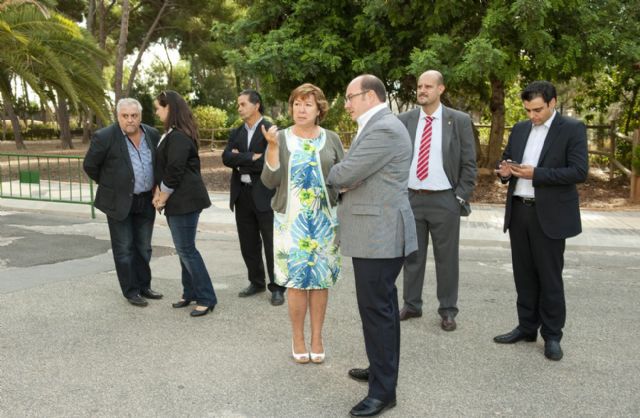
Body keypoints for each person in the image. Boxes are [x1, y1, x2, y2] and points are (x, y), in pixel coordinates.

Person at [326, 75, 417, 417]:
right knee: (380, 309)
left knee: (376, 311)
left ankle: (383, 392)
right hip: (375, 232)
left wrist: (345, 176)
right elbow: (353, 174)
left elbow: (342, 174)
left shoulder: (384, 129)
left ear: (369, 95)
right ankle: (380, 371)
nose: (346, 104)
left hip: (380, 235)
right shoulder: (379, 125)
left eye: (350, 97)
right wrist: (351, 176)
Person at [493, 81, 588, 361]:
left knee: (549, 278)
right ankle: (526, 327)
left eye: (537, 110)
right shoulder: (521, 129)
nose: (532, 116)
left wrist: (538, 174)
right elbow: (506, 161)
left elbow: (579, 171)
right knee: (523, 275)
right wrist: (505, 171)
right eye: (528, 110)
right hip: (519, 210)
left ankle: (552, 335)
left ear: (553, 102)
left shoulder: (572, 129)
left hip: (550, 214)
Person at [261, 83, 344, 364]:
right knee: (296, 282)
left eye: (308, 104)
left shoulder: (331, 139)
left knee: (319, 282)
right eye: (297, 103)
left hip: (324, 221)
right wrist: (272, 149)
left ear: (319, 109)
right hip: (291, 222)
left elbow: (342, 178)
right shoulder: (280, 138)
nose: (301, 109)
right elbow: (269, 181)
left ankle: (317, 337)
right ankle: (297, 337)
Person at [398, 70, 477, 331]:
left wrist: (459, 197)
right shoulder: (405, 120)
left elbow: (469, 163)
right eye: (420, 86)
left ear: (441, 89)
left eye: (428, 86)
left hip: (445, 200)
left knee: (446, 259)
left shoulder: (459, 120)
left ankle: (448, 310)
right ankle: (411, 304)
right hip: (411, 198)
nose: (422, 90)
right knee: (412, 256)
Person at [83, 98, 163, 307]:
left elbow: (159, 163)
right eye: (125, 116)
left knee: (144, 247)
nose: (130, 120)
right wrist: (112, 185)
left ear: (140, 116)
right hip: (118, 202)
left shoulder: (152, 135)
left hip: (146, 200)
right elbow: (90, 166)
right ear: (117, 116)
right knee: (124, 248)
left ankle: (144, 286)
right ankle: (131, 291)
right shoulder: (105, 137)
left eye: (134, 116)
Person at [152, 90, 217, 318]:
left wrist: (162, 197)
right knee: (183, 249)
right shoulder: (172, 133)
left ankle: (206, 297)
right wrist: (159, 192)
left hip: (185, 201)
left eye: (159, 108)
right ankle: (189, 292)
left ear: (169, 107)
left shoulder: (179, 135)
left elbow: (174, 170)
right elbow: (166, 168)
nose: (156, 112)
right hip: (179, 201)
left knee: (187, 249)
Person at [222, 90, 285, 306]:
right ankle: (256, 281)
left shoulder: (272, 130)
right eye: (238, 104)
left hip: (265, 195)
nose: (238, 108)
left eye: (242, 104)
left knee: (270, 243)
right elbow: (226, 158)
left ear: (256, 105)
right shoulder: (236, 131)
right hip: (242, 195)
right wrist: (250, 156)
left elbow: (267, 162)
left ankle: (277, 287)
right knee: (248, 243)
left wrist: (240, 158)